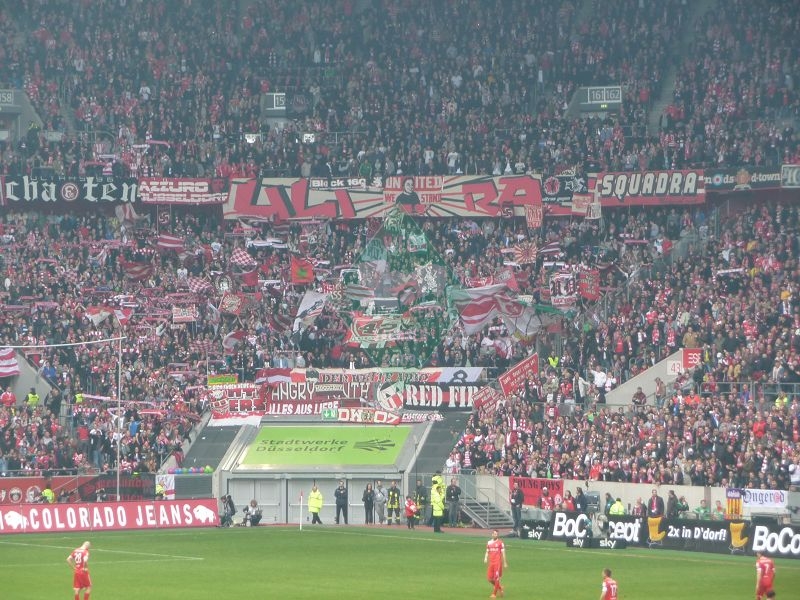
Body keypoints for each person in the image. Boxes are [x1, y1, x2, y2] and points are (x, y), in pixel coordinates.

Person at [484, 529, 508, 599]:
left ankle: (494, 594)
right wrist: (485, 558)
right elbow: (487, 551)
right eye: (494, 534)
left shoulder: (500, 543)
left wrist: (505, 562)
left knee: (496, 578)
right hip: (491, 563)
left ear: (498, 535)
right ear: (492, 534)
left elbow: (503, 553)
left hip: (497, 563)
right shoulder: (489, 542)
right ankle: (500, 587)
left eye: (496, 534)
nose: (495, 535)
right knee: (489, 579)